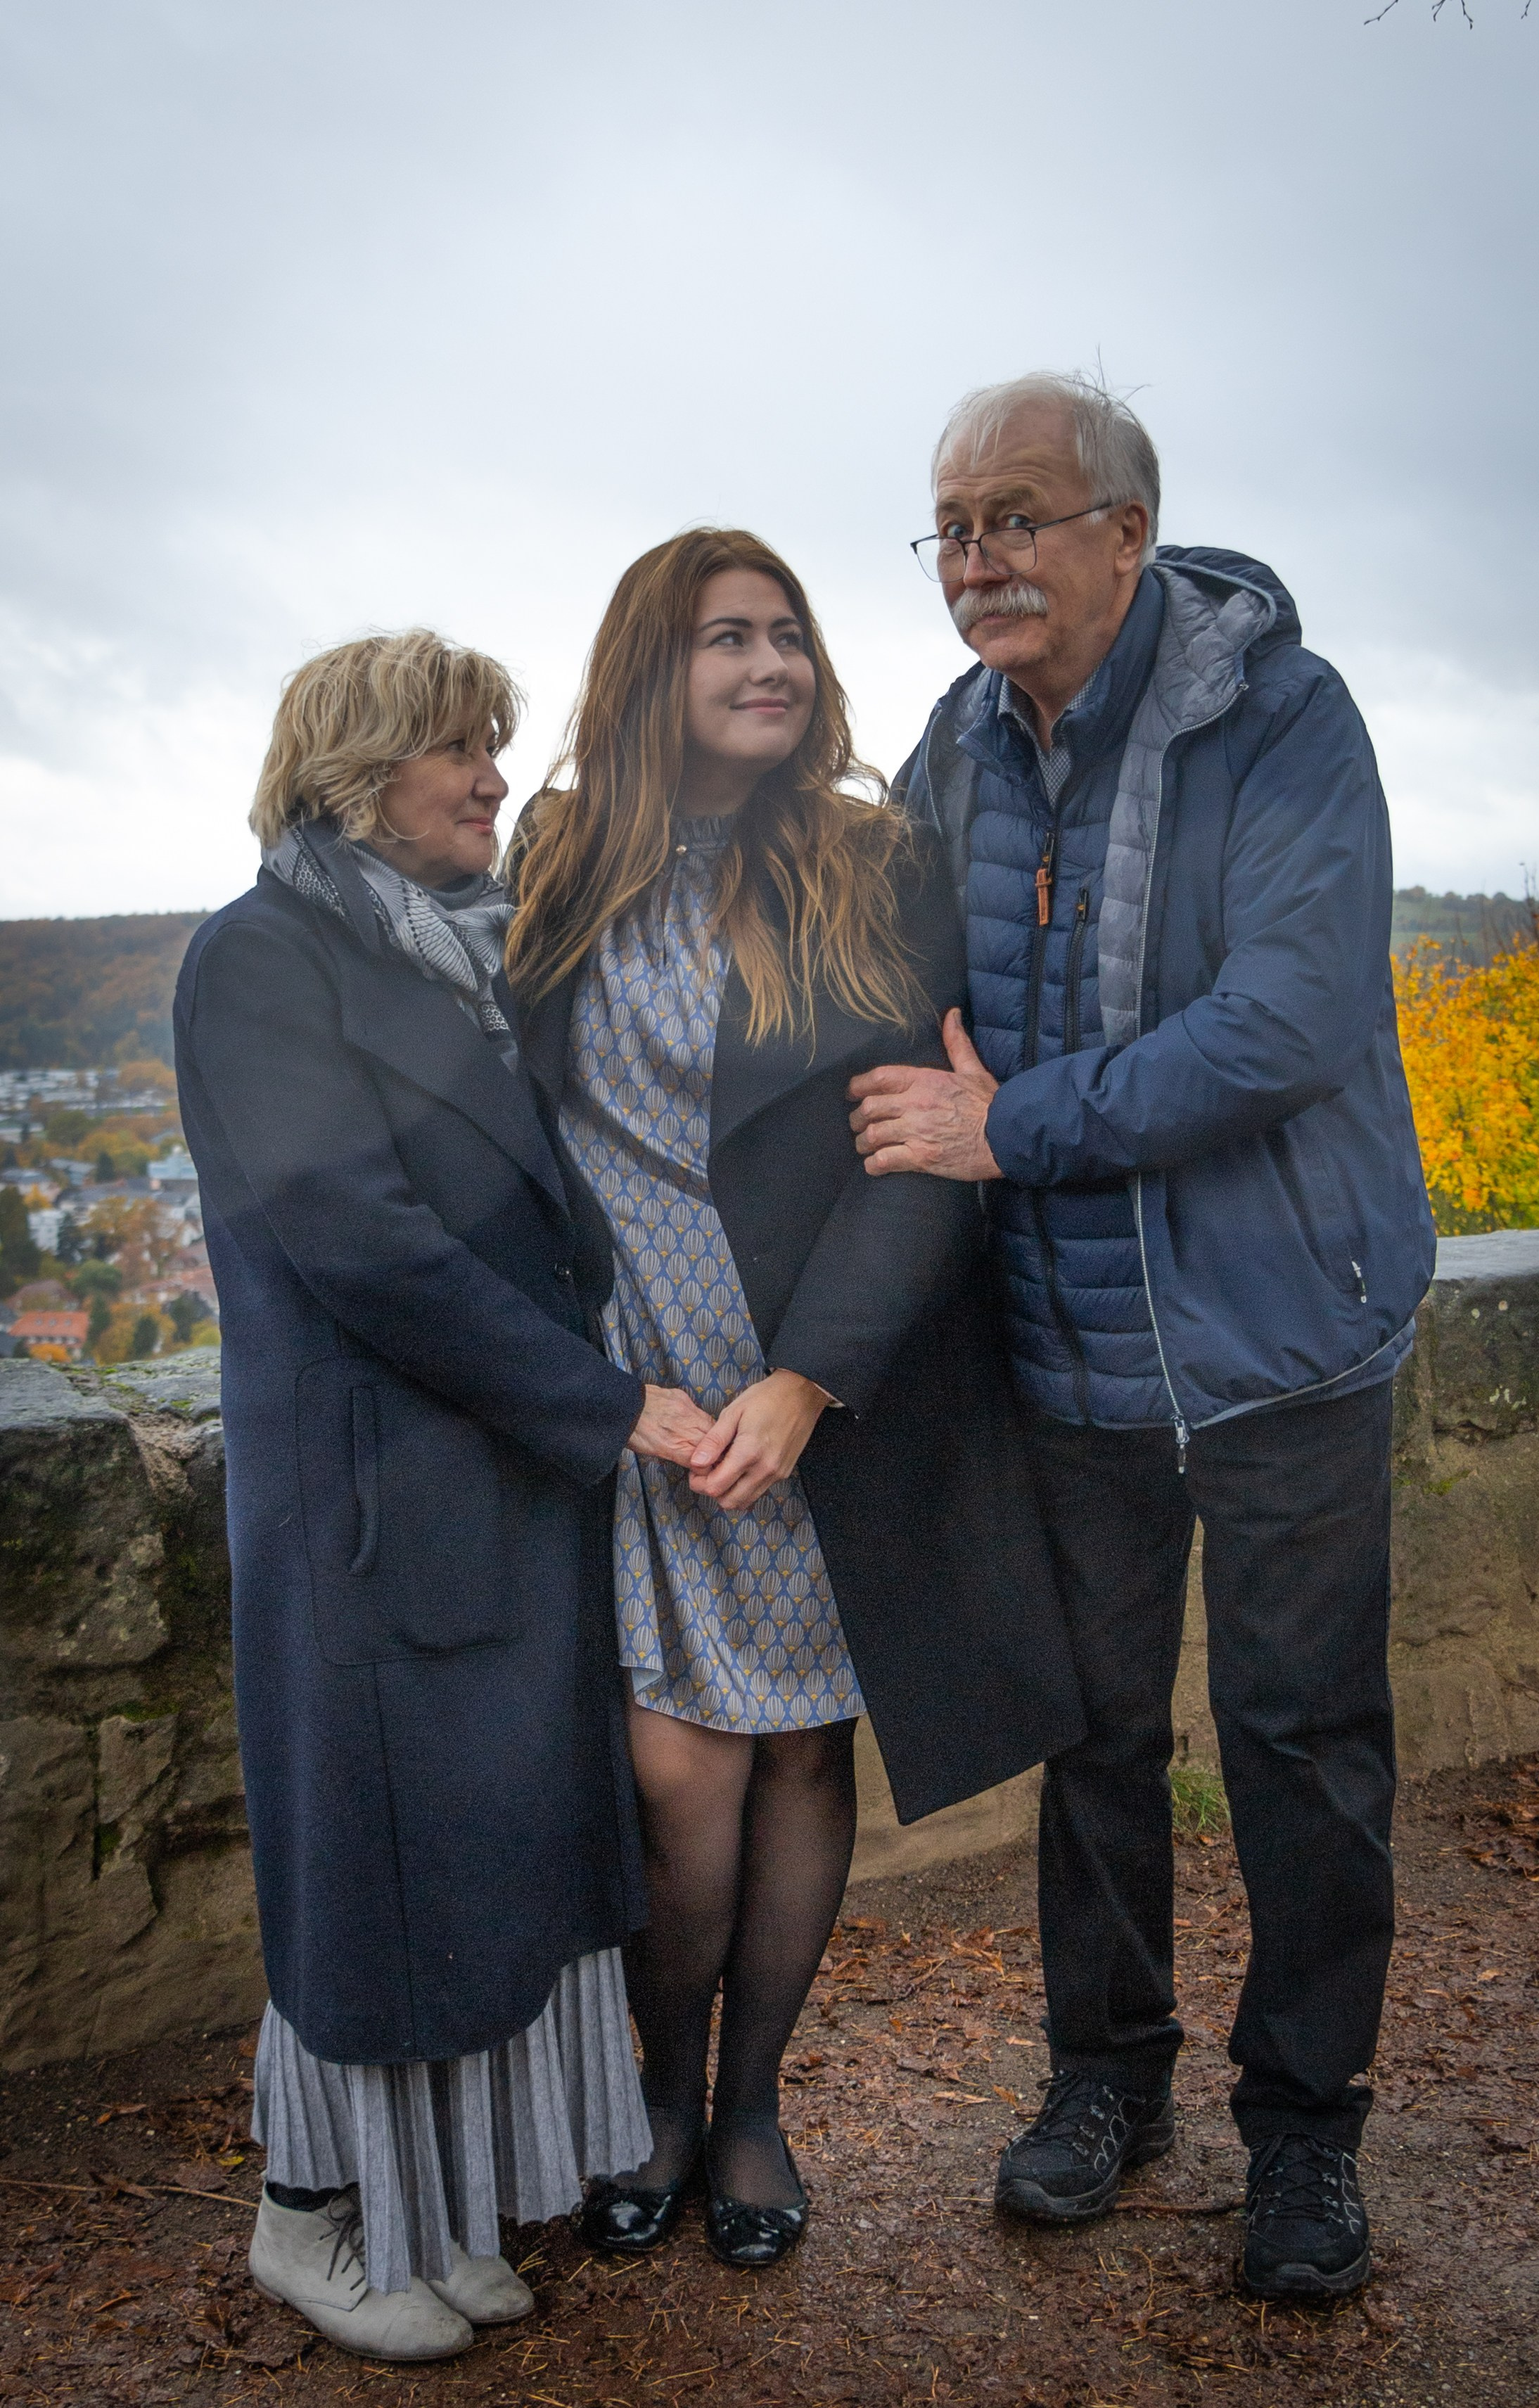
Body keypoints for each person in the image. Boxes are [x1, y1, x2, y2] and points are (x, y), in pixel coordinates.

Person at [850, 374, 1436, 2300]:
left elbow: (1288, 1020)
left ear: (1128, 528)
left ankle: (1306, 2133)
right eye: (948, 526)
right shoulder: (955, 743)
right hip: (1064, 1352)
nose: (976, 558)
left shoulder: (1281, 717)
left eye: (1015, 515)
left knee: (1299, 1746)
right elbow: (886, 986)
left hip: (1278, 1340)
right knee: (1094, 1739)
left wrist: (1008, 1125)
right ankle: (1106, 2084)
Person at [507, 528, 1083, 2269]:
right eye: (722, 640)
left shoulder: (862, 856)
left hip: (815, 1399)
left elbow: (923, 1147)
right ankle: (652, 2103)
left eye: (786, 635)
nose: (768, 664)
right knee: (679, 1781)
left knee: (800, 1754)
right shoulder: (558, 859)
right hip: (638, 1412)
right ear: (644, 672)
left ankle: (748, 2107)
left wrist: (811, 1374)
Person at [174, 630, 710, 2361]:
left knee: (483, 1874)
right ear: (352, 775)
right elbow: (367, 1248)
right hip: (368, 1506)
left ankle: (439, 2203)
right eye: (455, 749)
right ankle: (307, 2219)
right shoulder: (259, 958)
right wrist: (607, 1402)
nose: (494, 773)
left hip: (484, 1482)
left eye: (492, 741)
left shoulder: (446, 959)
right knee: (370, 1882)